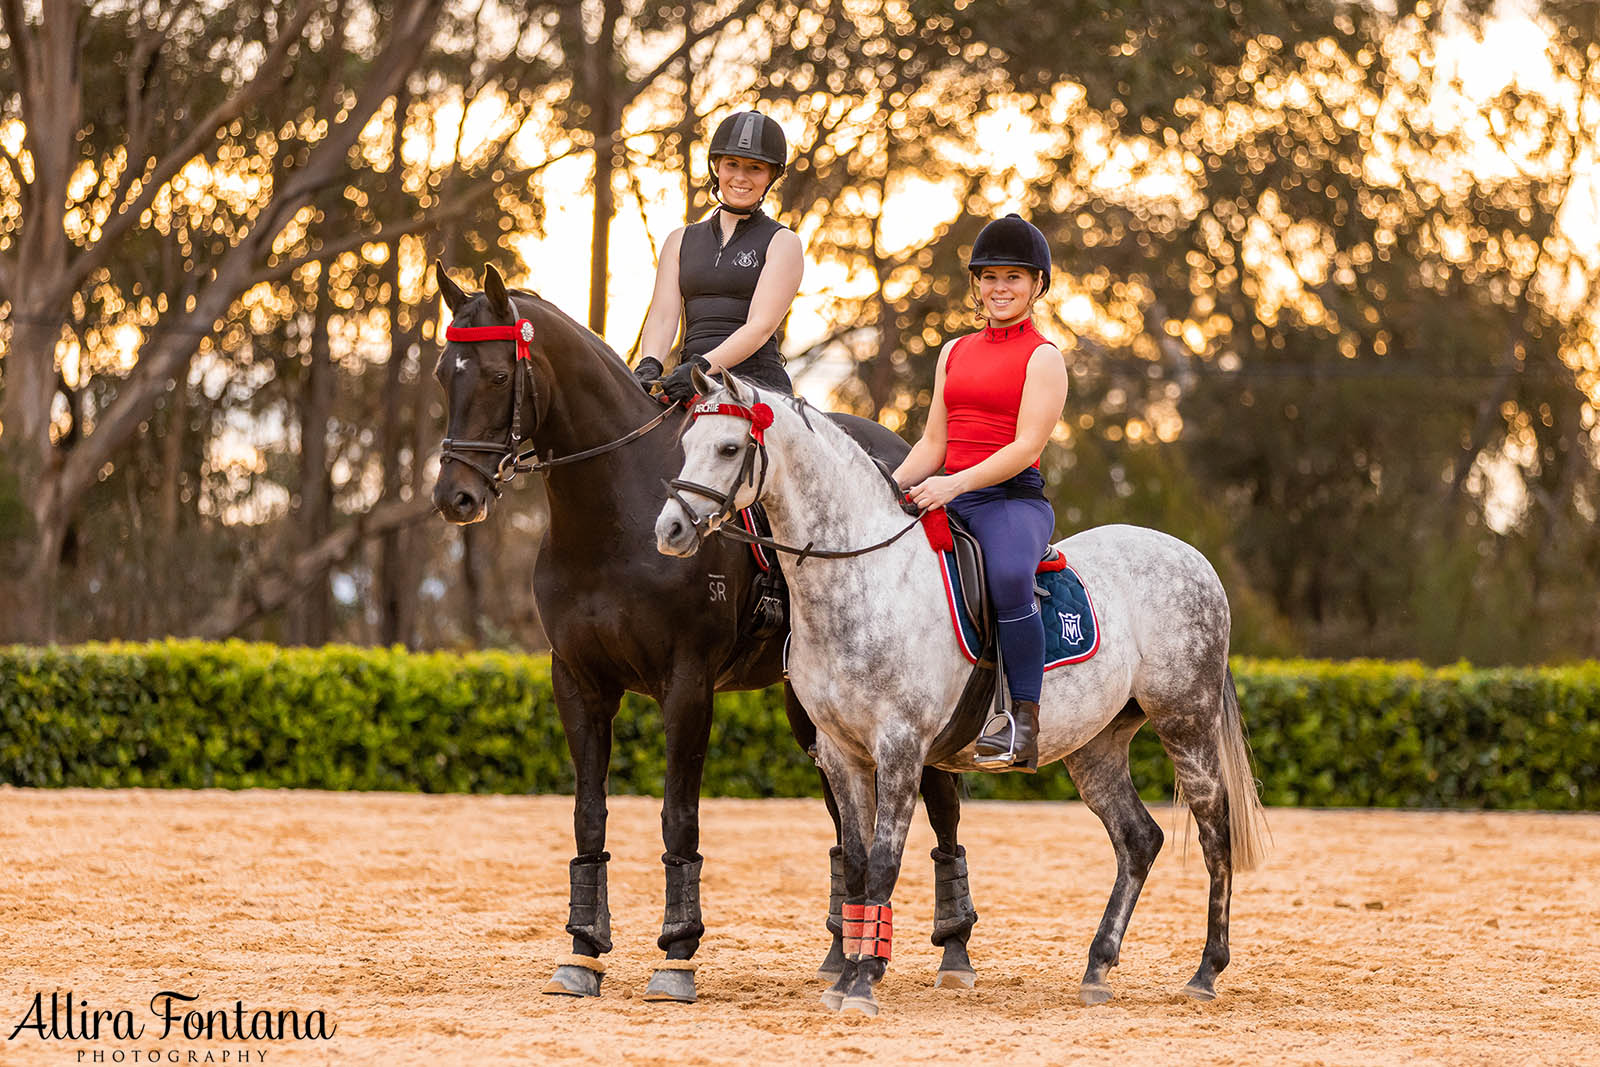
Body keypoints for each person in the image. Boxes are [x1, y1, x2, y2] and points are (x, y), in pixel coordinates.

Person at [893, 214, 1069, 771]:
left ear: (1037, 284)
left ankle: (1022, 720)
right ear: (976, 283)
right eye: (990, 276)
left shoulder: (1044, 357)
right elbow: (932, 441)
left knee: (1010, 576)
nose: (1000, 288)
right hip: (948, 489)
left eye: (1013, 277)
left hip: (1011, 500)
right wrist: (891, 486)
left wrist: (955, 483)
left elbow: (1024, 447)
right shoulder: (954, 351)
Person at [634, 111, 802, 402]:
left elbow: (759, 328)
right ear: (716, 168)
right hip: (688, 379)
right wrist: (650, 364)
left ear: (771, 176)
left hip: (755, 383)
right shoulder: (679, 240)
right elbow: (662, 317)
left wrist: (701, 367)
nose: (740, 177)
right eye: (732, 164)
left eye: (755, 168)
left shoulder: (783, 242)